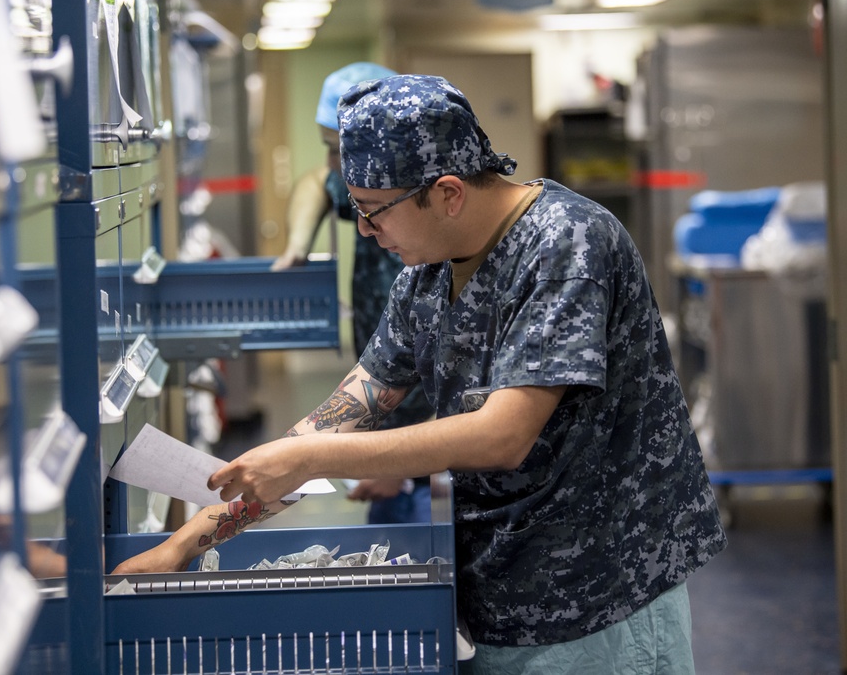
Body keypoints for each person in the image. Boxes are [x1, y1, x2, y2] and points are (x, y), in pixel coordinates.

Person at [114, 74, 727, 673]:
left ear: (449, 193)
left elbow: (501, 435)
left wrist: (313, 461)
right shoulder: (427, 277)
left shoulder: (568, 245)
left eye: (375, 211)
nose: (364, 230)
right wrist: (182, 545)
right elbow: (341, 417)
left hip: (603, 598)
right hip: (501, 592)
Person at [272, 61, 437, 524]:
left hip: (435, 454)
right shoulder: (379, 203)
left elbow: (491, 415)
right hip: (395, 442)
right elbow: (316, 185)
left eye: (337, 150)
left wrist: (402, 470)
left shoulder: (443, 250)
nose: (330, 167)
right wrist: (298, 247)